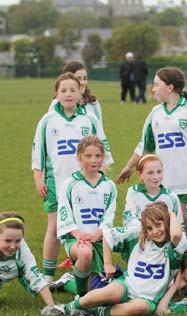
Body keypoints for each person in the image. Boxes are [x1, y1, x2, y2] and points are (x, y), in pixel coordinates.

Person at [116, 66, 187, 249]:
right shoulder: (155, 113)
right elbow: (144, 144)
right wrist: (129, 167)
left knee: (183, 223)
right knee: (161, 225)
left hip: (186, 180)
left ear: (169, 88)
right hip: (160, 180)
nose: (152, 89)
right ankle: (162, 264)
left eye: (156, 84)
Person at [32, 73, 113, 283]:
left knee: (87, 227)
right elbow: (38, 151)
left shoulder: (90, 119)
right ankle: (48, 276)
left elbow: (103, 148)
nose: (68, 94)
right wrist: (38, 178)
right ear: (56, 94)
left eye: (73, 90)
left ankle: (92, 270)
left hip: (85, 186)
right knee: (53, 227)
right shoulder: (48, 120)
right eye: (63, 90)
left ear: (80, 93)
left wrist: (101, 175)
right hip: (55, 184)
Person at [57, 201, 187, 316]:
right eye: (149, 228)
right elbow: (108, 236)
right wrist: (108, 264)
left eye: (159, 225)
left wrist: (168, 211)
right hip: (127, 284)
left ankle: (94, 312)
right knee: (109, 292)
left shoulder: (175, 246)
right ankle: (65, 308)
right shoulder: (138, 237)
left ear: (167, 222)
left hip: (148, 298)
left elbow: (176, 234)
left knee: (139, 308)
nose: (155, 231)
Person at [56, 136, 117, 297]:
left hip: (99, 241)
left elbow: (109, 216)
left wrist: (96, 235)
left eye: (98, 156)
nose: (94, 160)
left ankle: (68, 282)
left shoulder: (109, 186)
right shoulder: (70, 184)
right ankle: (81, 298)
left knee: (100, 291)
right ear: (79, 157)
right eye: (88, 156)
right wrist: (79, 236)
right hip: (76, 240)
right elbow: (64, 214)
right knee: (85, 254)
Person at [0, 212, 64, 316]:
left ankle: (64, 282)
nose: (12, 246)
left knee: (38, 285)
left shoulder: (23, 252)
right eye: (7, 241)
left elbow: (36, 277)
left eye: (17, 241)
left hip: (16, 269)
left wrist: (52, 307)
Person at [122, 154, 184, 232]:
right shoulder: (133, 192)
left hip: (164, 242)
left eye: (159, 172)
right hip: (140, 239)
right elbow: (128, 219)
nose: (156, 177)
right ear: (139, 175)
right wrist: (148, 231)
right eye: (150, 173)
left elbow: (179, 225)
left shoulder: (172, 197)